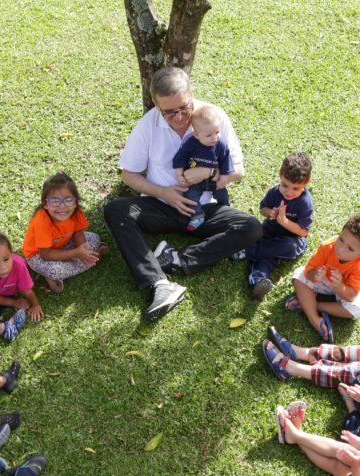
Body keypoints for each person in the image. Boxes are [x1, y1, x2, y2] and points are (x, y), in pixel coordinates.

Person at [103, 66, 262, 322]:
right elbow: (129, 175)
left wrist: (207, 175)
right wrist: (163, 193)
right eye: (169, 112)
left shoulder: (214, 118)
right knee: (115, 210)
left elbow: (238, 171)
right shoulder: (148, 125)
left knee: (251, 227)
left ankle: (177, 258)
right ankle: (160, 284)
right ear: (155, 104)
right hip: (162, 205)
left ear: (191, 93)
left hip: (204, 208)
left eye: (183, 108)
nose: (178, 118)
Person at [282, 212, 360, 340]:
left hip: (345, 288)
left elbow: (351, 296)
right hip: (324, 281)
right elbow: (309, 272)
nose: (340, 249)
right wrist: (315, 275)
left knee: (359, 309)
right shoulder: (327, 246)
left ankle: (309, 305)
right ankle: (314, 318)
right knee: (298, 274)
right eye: (341, 240)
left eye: (350, 249)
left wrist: (339, 286)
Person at [21, 172, 108, 293]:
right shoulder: (41, 221)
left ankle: (82, 261)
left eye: (68, 200)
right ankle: (56, 274)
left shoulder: (76, 211)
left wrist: (83, 250)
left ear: (75, 202)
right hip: (38, 256)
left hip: (62, 244)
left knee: (94, 238)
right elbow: (45, 255)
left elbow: (78, 232)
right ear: (45, 204)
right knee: (55, 270)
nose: (62, 207)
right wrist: (76, 253)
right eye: (55, 202)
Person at [244, 153, 314, 300]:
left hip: (291, 238)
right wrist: (272, 213)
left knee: (288, 246)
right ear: (280, 175)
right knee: (267, 250)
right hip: (270, 230)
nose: (289, 192)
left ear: (306, 183)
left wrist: (285, 222)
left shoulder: (305, 202)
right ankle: (258, 280)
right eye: (285, 185)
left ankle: (247, 251)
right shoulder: (275, 191)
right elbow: (262, 209)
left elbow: (302, 232)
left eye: (296, 188)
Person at [172, 105, 234, 230]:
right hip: (195, 182)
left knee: (222, 194)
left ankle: (226, 209)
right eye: (209, 135)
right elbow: (180, 158)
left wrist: (223, 179)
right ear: (196, 134)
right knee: (190, 196)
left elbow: (226, 162)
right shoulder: (190, 143)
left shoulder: (221, 145)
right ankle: (197, 215)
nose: (215, 137)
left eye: (217, 132)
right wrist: (179, 174)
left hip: (214, 180)